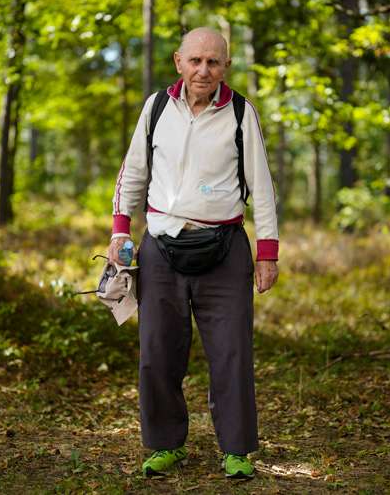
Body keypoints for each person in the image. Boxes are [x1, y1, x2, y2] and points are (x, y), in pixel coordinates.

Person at [108, 27, 279, 479]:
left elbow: (262, 187)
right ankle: (166, 444)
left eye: (214, 62)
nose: (204, 70)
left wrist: (267, 252)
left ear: (225, 66)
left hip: (225, 250)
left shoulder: (241, 113)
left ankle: (237, 451)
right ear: (178, 62)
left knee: (232, 351)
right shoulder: (156, 108)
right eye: (196, 61)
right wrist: (119, 231)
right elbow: (132, 173)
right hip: (161, 247)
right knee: (157, 351)